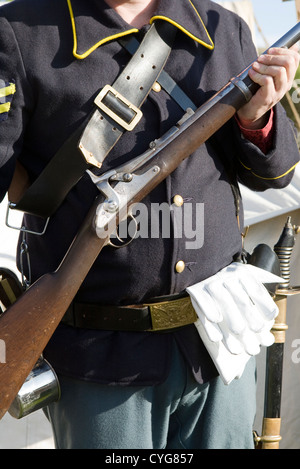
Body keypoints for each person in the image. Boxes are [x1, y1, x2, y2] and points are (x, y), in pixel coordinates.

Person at [0, 0, 299, 450]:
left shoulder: (223, 28)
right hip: (96, 360)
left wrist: (257, 119)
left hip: (217, 347)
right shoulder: (20, 31)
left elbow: (275, 174)